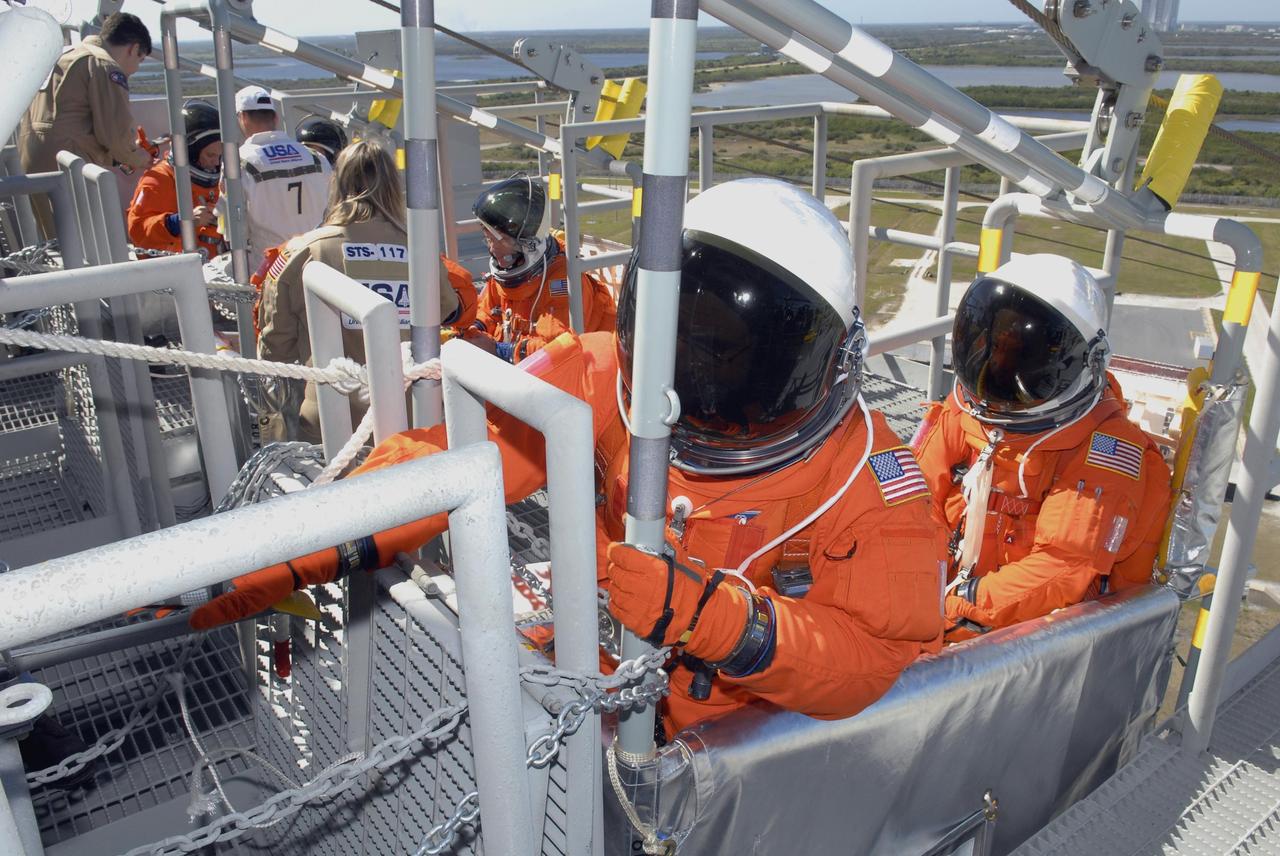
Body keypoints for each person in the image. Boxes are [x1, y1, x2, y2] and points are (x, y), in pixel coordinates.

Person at [191, 179, 947, 736]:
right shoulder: (600, 376)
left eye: (728, 355)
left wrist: (723, 622)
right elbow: (450, 465)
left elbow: (878, 658)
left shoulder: (873, 486)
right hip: (609, 688)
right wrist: (291, 549)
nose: (698, 381)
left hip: (747, 737)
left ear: (828, 362)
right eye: (683, 340)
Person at [912, 255, 1172, 643]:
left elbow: (1062, 568)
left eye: (1023, 353)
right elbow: (913, 497)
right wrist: (910, 578)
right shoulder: (969, 405)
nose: (999, 367)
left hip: (1021, 635)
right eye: (997, 344)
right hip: (937, 596)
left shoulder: (1108, 449)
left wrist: (944, 609)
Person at [256, 141, 469, 443]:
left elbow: (276, 348)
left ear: (337, 183)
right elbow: (447, 310)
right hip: (411, 422)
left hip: (329, 424)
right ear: (393, 186)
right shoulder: (419, 247)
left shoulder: (303, 251)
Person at [17, 12, 154, 235]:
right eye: (140, 60)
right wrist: (141, 158)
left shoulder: (64, 55)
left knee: (54, 243)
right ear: (133, 48)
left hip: (32, 161)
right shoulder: (104, 65)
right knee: (85, 242)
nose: (136, 68)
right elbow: (115, 135)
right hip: (68, 164)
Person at [465, 173, 617, 362]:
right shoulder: (504, 273)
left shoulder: (564, 283)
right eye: (488, 238)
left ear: (527, 244)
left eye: (500, 240)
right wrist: (474, 329)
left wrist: (501, 350)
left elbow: (558, 351)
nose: (492, 248)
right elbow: (487, 310)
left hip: (575, 371)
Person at [225, 85, 331, 271]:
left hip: (269, 268)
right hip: (316, 264)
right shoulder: (316, 157)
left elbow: (232, 229)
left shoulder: (238, 161)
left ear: (242, 117)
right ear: (275, 117)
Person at [127, 100, 225, 260]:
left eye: (219, 156)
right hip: (171, 267)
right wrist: (181, 221)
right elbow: (137, 231)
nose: (215, 162)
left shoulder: (221, 179)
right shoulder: (158, 180)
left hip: (215, 263)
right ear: (190, 152)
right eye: (210, 155)